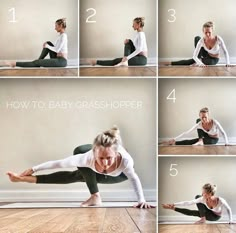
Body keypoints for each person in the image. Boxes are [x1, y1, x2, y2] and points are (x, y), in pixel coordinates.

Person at [6, 127, 153, 208]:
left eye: (109, 158)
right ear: (94, 153)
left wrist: (141, 200)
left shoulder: (125, 161)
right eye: (101, 158)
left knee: (77, 174)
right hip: (91, 163)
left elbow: (134, 178)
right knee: (78, 162)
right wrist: (33, 169)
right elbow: (58, 163)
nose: (105, 163)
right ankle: (24, 179)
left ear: (116, 154)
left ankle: (95, 196)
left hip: (118, 176)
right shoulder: (87, 158)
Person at [161, 21, 232, 67]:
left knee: (192, 61)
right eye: (205, 32)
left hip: (213, 59)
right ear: (203, 31)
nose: (207, 34)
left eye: (209, 32)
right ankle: (170, 63)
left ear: (212, 30)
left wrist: (228, 63)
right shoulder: (201, 41)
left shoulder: (218, 39)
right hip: (204, 55)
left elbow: (225, 51)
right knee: (197, 38)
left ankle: (197, 61)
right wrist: (200, 63)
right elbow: (194, 56)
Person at [3, 18, 68, 68]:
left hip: (61, 61)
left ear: (61, 26)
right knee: (48, 43)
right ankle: (38, 61)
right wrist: (47, 45)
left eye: (56, 26)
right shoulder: (60, 36)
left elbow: (57, 50)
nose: (55, 28)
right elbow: (55, 49)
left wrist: (47, 46)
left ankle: (14, 63)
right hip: (57, 57)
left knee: (47, 46)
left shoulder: (63, 36)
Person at [162, 183, 233, 224]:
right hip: (209, 212)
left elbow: (228, 209)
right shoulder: (203, 199)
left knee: (195, 212)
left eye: (204, 193)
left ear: (210, 193)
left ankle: (203, 219)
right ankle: (173, 208)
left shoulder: (220, 200)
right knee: (197, 197)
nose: (202, 194)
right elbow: (188, 203)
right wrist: (174, 204)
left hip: (215, 217)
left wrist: (230, 220)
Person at [163, 107, 229, 146]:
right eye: (202, 117)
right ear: (199, 116)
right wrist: (174, 139)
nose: (204, 119)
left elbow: (223, 132)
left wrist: (226, 142)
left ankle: (200, 141)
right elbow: (186, 133)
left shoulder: (215, 122)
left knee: (195, 141)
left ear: (208, 115)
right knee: (197, 124)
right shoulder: (199, 124)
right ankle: (174, 143)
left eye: (205, 117)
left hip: (214, 139)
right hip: (206, 136)